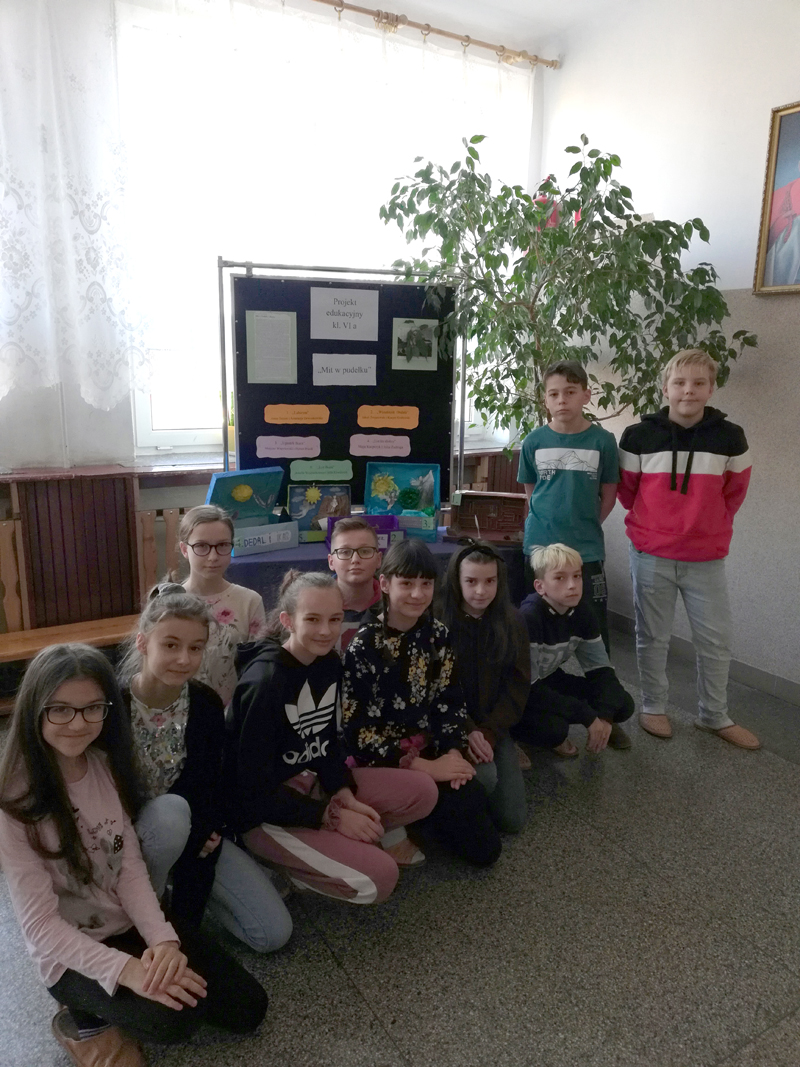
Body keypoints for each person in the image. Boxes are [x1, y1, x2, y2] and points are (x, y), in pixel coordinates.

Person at [0, 644, 267, 1067]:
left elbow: (128, 867)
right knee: (174, 1021)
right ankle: (80, 1020)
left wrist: (162, 940)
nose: (78, 723)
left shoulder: (104, 764)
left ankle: (118, 997)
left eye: (92, 708)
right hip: (68, 953)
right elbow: (41, 929)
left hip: (122, 924)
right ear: (35, 709)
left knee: (249, 1008)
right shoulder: (13, 801)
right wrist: (127, 971)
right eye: (60, 710)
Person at [227, 570, 439, 903]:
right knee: (380, 880)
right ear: (287, 620)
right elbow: (250, 789)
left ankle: (330, 847)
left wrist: (342, 793)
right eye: (313, 619)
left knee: (424, 792)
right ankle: (276, 862)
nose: (326, 631)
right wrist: (330, 816)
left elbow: (326, 743)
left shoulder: (327, 663)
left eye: (335, 619)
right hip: (263, 813)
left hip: (311, 786)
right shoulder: (264, 683)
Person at [119, 584, 292, 952]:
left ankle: (173, 902)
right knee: (169, 815)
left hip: (188, 835)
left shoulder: (205, 704)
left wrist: (202, 835)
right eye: (170, 645)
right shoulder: (112, 704)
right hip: (126, 842)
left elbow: (210, 783)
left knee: (273, 933)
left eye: (195, 648)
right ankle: (143, 914)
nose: (184, 659)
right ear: (143, 643)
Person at [617, 349, 759, 749]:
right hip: (651, 554)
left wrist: (705, 525)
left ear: (711, 388)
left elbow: (734, 493)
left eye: (698, 383)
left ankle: (714, 715)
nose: (688, 390)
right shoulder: (638, 436)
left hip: (706, 559)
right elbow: (627, 493)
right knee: (652, 636)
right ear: (666, 388)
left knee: (715, 641)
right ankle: (653, 707)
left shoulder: (731, 437)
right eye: (679, 383)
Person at [342, 540, 502, 867]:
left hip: (430, 747)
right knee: (469, 821)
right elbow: (357, 734)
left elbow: (450, 700)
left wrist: (452, 752)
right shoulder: (364, 646)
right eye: (406, 583)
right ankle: (397, 820)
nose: (417, 594)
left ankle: (420, 816)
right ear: (385, 584)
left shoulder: (437, 634)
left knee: (485, 846)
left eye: (426, 584)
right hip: (383, 759)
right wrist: (427, 768)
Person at [517, 359, 620, 652]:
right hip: (540, 545)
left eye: (570, 392)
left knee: (594, 625)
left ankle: (600, 678)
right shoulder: (533, 441)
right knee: (535, 623)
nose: (561, 399)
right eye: (554, 394)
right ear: (545, 400)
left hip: (586, 549)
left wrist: (585, 523)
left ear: (586, 395)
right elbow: (531, 491)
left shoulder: (603, 441)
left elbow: (609, 494)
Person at [439, 539, 530, 833]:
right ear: (457, 580)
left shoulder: (513, 621)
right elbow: (438, 688)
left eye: (490, 581)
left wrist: (489, 731)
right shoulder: (439, 621)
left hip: (494, 728)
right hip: (452, 725)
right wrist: (467, 729)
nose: (481, 591)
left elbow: (517, 686)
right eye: (471, 581)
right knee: (486, 778)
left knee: (513, 820)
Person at [512, 544, 635, 757]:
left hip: (548, 678)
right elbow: (528, 689)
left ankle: (601, 728)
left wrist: (605, 717)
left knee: (623, 704)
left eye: (577, 576)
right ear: (540, 586)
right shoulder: (528, 618)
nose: (572, 585)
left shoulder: (582, 612)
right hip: (517, 691)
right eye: (560, 578)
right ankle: (508, 738)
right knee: (554, 730)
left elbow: (602, 672)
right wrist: (587, 716)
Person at [175, 504, 266, 705]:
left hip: (233, 710)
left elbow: (256, 667)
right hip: (183, 708)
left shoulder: (249, 601)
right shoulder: (170, 602)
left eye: (223, 545)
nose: (213, 556)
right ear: (184, 549)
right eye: (201, 546)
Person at [327, 517, 383, 652]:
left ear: (378, 559)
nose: (355, 560)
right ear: (331, 562)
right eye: (345, 552)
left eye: (365, 551)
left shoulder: (393, 604)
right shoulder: (314, 604)